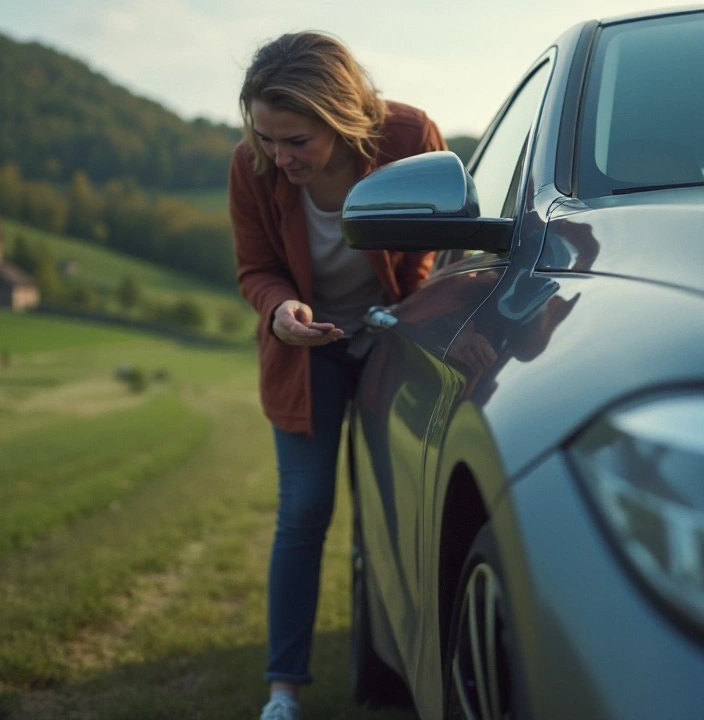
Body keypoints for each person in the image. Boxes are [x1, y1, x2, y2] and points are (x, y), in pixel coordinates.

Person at [227, 31, 446, 720]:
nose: (278, 157)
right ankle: (283, 693)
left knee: (399, 501)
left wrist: (416, 316)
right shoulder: (251, 167)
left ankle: (413, 659)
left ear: (342, 117)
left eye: (297, 141)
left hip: (395, 342)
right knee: (305, 510)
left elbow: (447, 235)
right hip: (305, 352)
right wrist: (280, 310)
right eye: (266, 138)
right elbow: (255, 269)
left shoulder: (410, 137)